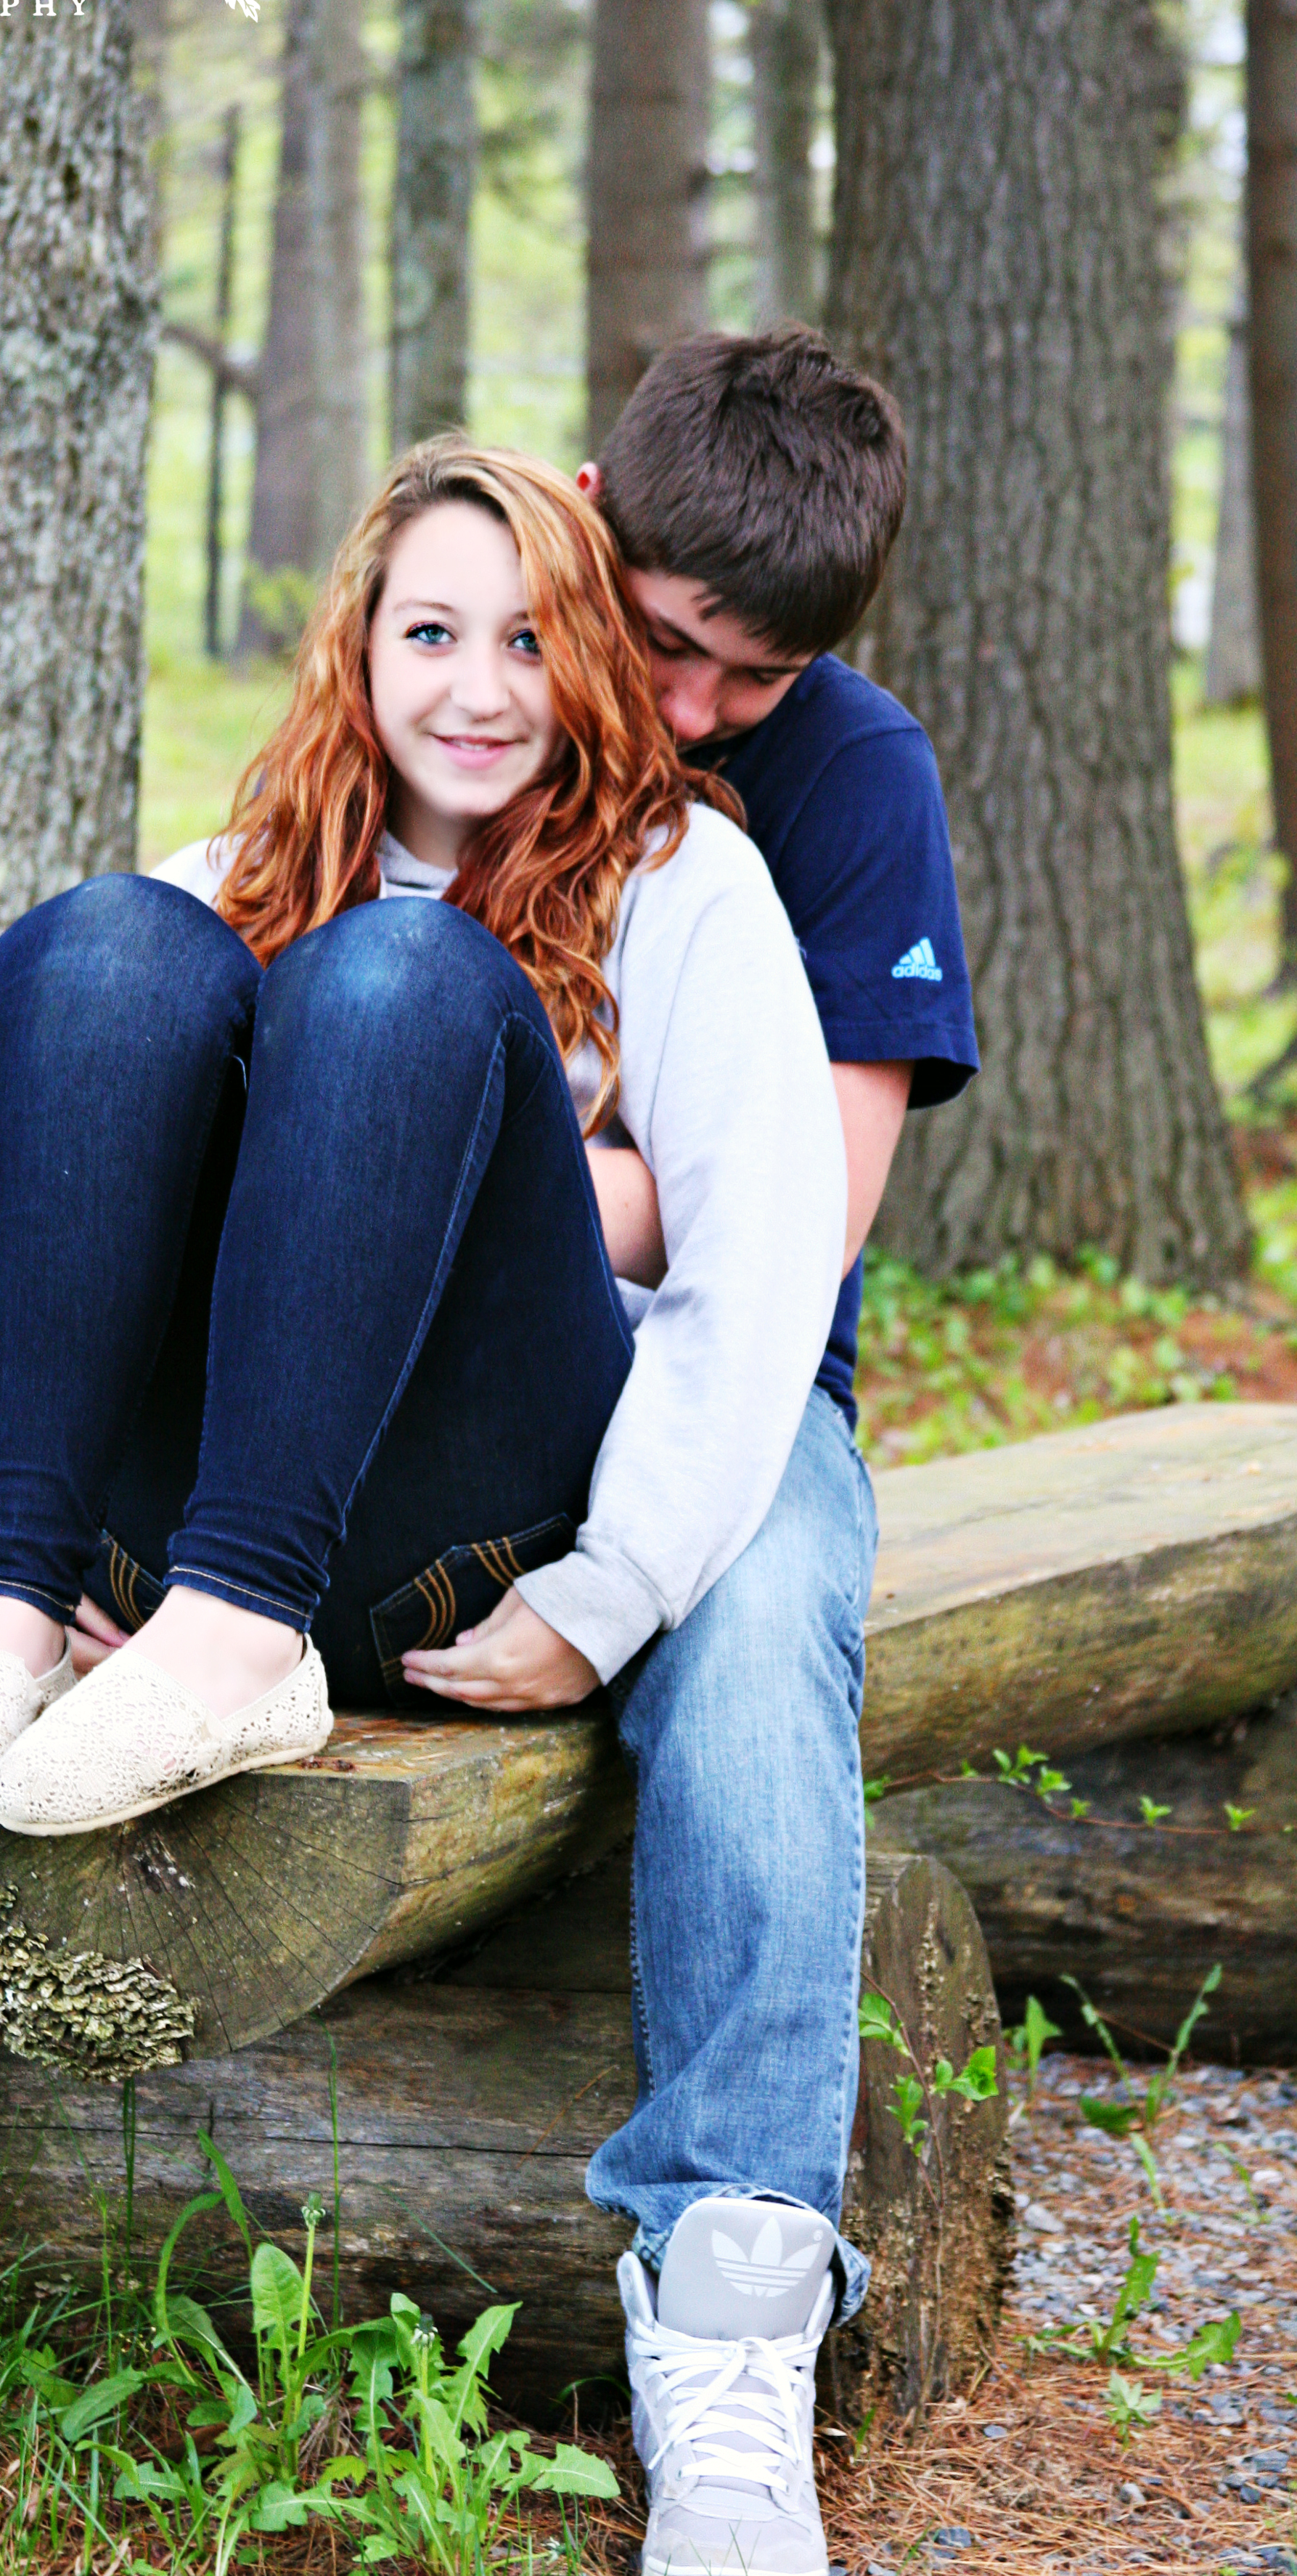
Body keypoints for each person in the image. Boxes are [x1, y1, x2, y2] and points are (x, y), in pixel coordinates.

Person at [0, 439, 850, 2570]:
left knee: (400, 993)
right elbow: (8, 1267)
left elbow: (760, 1276)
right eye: (429, 630)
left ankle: (736, 2348)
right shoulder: (241, 866)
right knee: (102, 962)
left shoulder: (685, 886)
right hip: (197, 1544)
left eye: (525, 635)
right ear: (359, 645)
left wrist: (608, 1594)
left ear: (588, 653)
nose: (477, 684)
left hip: (479, 1533)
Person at [568, 327, 978, 2576]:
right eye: (670, 652)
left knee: (750, 1630)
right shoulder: (473, 678)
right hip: (427, 1383)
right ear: (591, 528)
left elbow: (799, 1223)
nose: (706, 711)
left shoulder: (854, 774)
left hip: (735, 1381)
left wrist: (527, 1170)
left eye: (758, 678)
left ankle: (732, 2323)